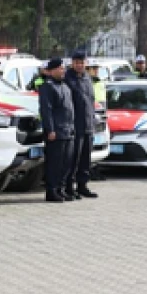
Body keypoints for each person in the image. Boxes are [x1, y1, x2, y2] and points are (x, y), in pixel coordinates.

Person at [38, 58, 75, 203]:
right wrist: (50, 129)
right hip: (56, 132)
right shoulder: (48, 86)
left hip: (68, 130)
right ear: (52, 70)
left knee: (66, 163)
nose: (63, 71)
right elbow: (46, 110)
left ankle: (61, 189)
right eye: (60, 68)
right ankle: (52, 191)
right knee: (55, 164)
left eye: (63, 68)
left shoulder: (65, 87)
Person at [63, 51, 98, 199]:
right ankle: (69, 187)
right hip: (75, 125)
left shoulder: (87, 78)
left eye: (82, 63)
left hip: (88, 124)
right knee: (73, 159)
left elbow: (90, 101)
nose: (79, 65)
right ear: (72, 63)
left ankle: (83, 186)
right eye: (77, 63)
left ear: (86, 63)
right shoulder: (67, 79)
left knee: (85, 159)